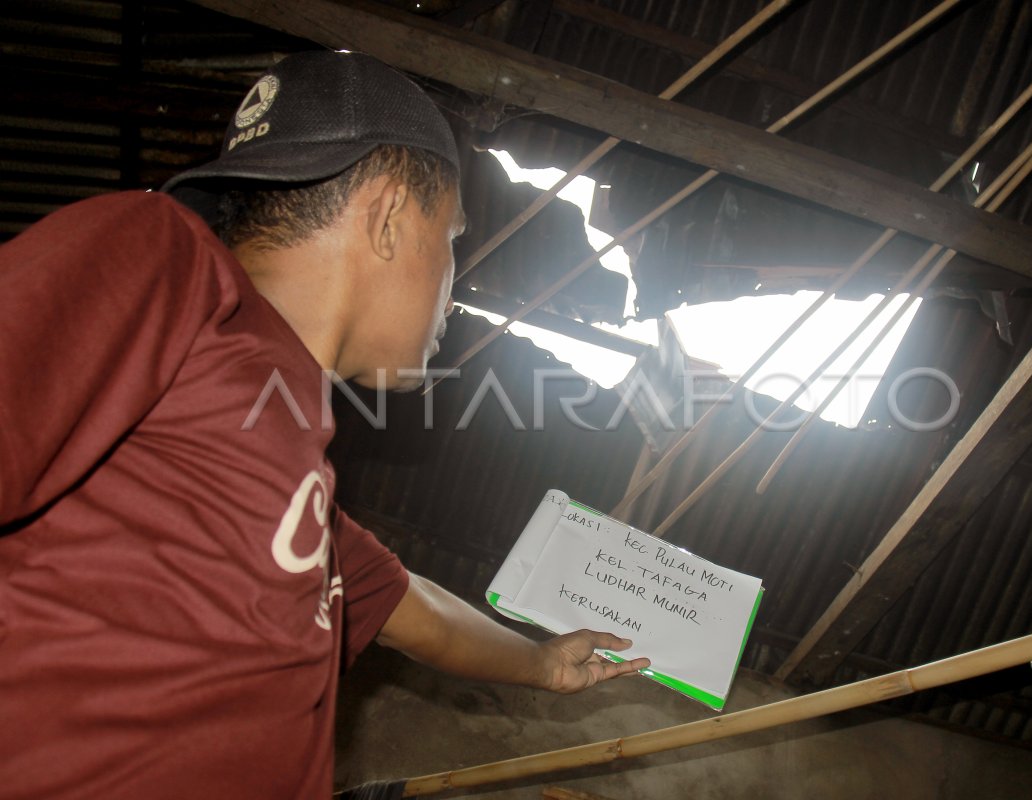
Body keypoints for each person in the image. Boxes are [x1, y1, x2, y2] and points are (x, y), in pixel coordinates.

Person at [0, 50, 649, 799]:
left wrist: (542, 663)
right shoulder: (160, 256)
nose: (452, 282)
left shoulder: (288, 476)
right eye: (454, 239)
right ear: (390, 216)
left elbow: (413, 608)